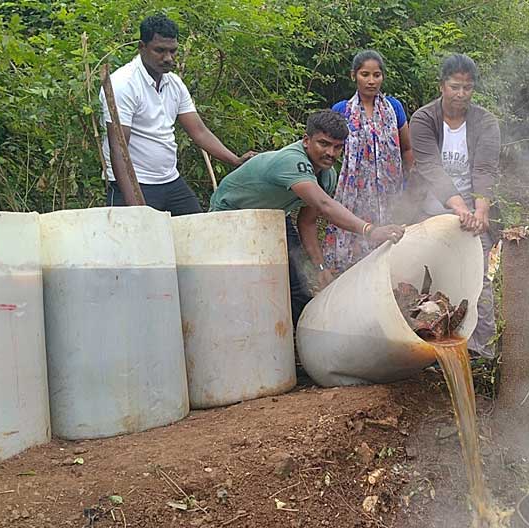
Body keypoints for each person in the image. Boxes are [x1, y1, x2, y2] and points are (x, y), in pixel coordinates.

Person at [210, 110, 406, 325]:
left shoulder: (326, 174)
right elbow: (325, 205)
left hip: (273, 217)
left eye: (337, 147)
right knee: (243, 284)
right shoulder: (292, 161)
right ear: (306, 140)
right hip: (230, 216)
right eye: (323, 144)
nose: (330, 153)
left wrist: (320, 267)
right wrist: (370, 230)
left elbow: (307, 222)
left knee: (298, 289)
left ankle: (295, 342)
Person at [100, 13, 253, 215]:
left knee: (196, 233)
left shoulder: (173, 83)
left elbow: (198, 131)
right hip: (135, 183)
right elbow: (119, 150)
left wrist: (235, 160)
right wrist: (136, 209)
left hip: (170, 180)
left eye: (173, 51)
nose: (168, 58)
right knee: (139, 243)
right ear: (141, 47)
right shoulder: (122, 85)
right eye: (160, 51)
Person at [409, 53, 501, 359]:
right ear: (442, 86)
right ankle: (427, 351)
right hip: (429, 212)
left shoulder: (485, 122)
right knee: (428, 277)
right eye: (454, 86)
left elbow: (485, 169)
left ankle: (480, 351)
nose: (461, 94)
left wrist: (481, 211)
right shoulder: (424, 119)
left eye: (467, 87)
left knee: (480, 279)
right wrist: (458, 206)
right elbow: (430, 167)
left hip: (471, 216)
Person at [323, 50, 414, 274]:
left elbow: (407, 149)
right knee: (354, 253)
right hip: (355, 194)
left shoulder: (394, 108)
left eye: (377, 75)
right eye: (365, 74)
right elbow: (329, 150)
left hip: (390, 192)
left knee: (389, 255)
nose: (371, 81)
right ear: (354, 75)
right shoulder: (342, 110)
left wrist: (409, 187)